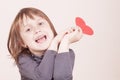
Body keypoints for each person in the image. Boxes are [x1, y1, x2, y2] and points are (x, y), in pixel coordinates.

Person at [7, 7, 82, 80]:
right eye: (28, 29)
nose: (37, 30)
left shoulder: (66, 52)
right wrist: (54, 42)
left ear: (51, 28)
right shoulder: (23, 58)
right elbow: (43, 77)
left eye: (40, 24)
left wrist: (65, 41)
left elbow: (62, 78)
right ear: (22, 43)